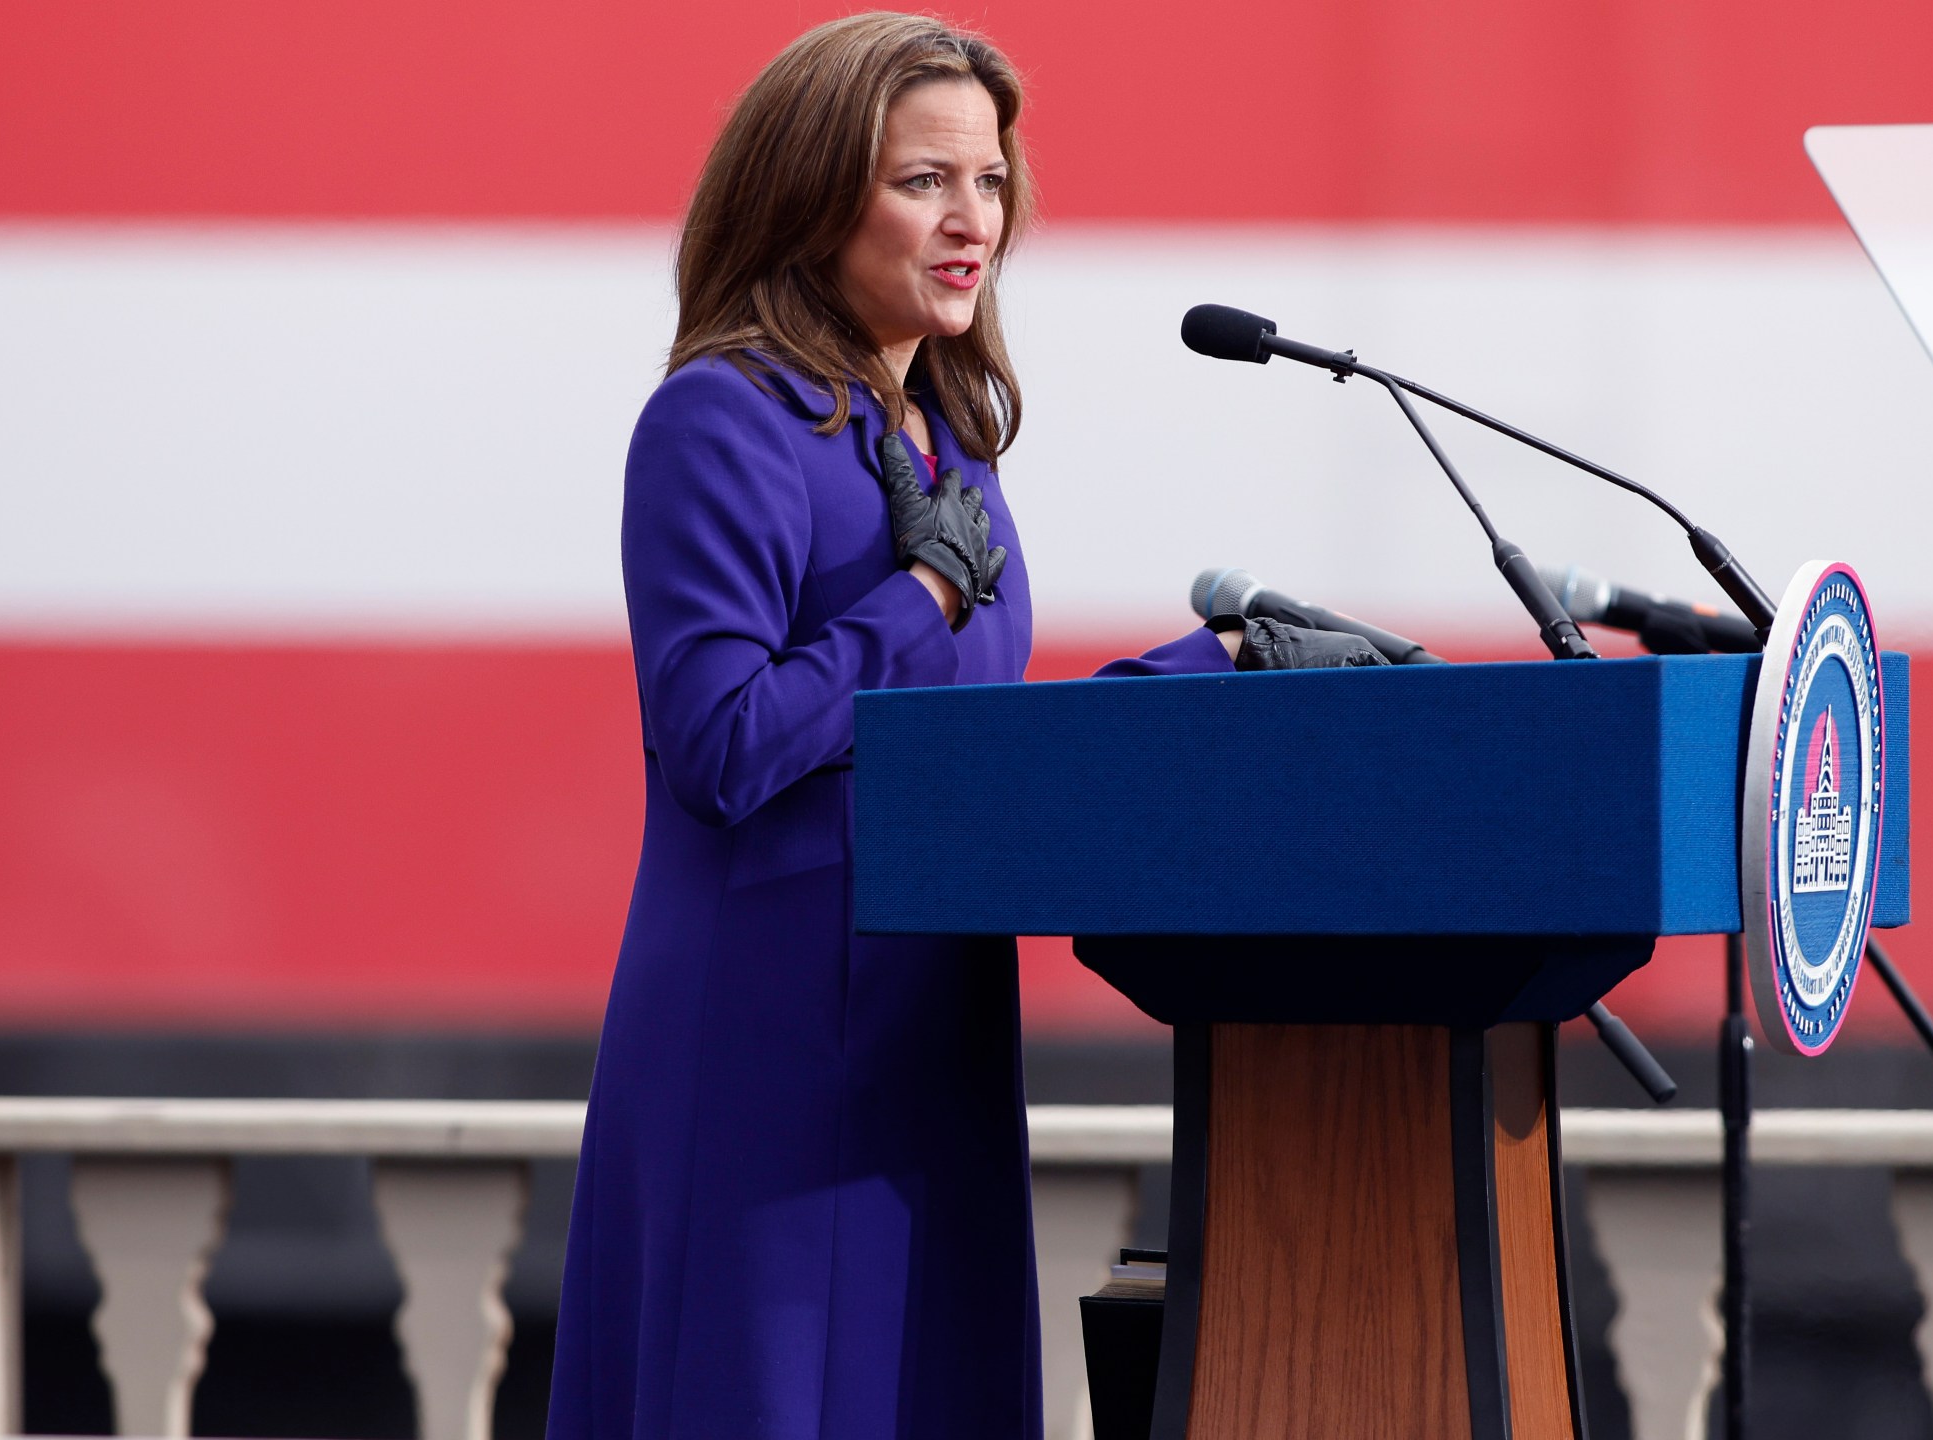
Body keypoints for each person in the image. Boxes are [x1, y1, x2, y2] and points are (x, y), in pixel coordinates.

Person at [546, 15, 1379, 1440]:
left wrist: (1218, 667)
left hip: (932, 1030)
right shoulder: (721, 422)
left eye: (989, 184)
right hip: (768, 1034)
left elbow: (969, 747)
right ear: (813, 192)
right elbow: (725, 747)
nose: (972, 220)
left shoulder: (948, 445)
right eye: (925, 180)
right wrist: (919, 589)